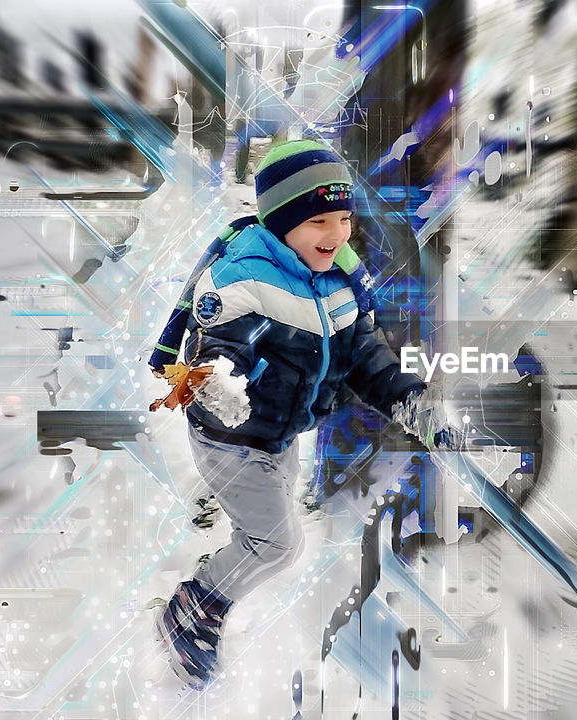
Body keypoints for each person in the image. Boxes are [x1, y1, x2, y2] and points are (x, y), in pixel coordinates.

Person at [149, 139, 458, 689]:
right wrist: (217, 381)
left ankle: (221, 546)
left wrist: (408, 398)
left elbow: (366, 356)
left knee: (272, 515)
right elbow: (218, 348)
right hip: (232, 436)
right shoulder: (244, 280)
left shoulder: (340, 278)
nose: (337, 234)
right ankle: (194, 608)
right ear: (283, 221)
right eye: (319, 220)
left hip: (279, 432)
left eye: (343, 218)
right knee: (276, 545)